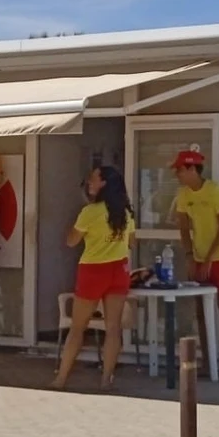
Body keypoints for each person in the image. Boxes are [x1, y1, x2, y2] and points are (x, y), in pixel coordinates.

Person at [54, 164, 136, 389]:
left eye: (93, 179)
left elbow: (71, 241)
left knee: (78, 328)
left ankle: (61, 379)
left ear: (104, 184)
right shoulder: (126, 212)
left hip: (93, 269)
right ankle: (106, 380)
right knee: (113, 329)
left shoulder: (90, 212)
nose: (89, 182)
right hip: (119, 270)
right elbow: (132, 242)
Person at [173, 149, 219, 380]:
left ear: (192, 169)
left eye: (180, 170)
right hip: (199, 257)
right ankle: (208, 363)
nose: (177, 174)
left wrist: (210, 257)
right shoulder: (183, 194)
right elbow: (183, 227)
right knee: (201, 311)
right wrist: (190, 256)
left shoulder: (215, 191)